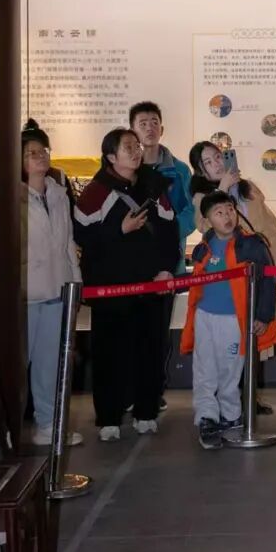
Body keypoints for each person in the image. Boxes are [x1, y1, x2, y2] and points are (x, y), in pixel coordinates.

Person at [73, 126, 181, 441]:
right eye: (127, 147)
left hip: (151, 286)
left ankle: (146, 412)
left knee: (150, 349)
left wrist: (166, 269)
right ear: (110, 157)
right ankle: (109, 417)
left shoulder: (153, 185)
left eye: (136, 146)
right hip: (110, 289)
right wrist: (119, 229)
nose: (135, 151)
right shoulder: (96, 191)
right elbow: (82, 235)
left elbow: (169, 231)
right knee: (110, 352)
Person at [188, 139, 276, 410]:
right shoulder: (202, 197)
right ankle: (227, 401)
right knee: (228, 343)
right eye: (208, 162)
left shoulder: (248, 188)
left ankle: (249, 397)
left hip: (257, 267)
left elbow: (269, 226)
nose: (216, 164)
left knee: (255, 334)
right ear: (200, 171)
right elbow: (203, 226)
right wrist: (222, 189)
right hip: (227, 277)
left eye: (218, 157)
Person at [181, 191, 276, 450]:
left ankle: (232, 415)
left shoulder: (252, 245)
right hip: (204, 317)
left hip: (234, 320)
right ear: (207, 220)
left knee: (230, 370)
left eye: (230, 210)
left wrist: (263, 315)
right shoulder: (204, 246)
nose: (227, 216)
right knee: (204, 370)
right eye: (219, 212)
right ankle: (207, 418)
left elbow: (267, 281)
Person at [21, 119, 82, 447]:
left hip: (58, 289)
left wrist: (75, 282)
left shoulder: (58, 192)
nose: (40, 156)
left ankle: (49, 424)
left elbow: (68, 242)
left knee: (50, 365)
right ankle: (8, 429)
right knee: (19, 364)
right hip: (26, 294)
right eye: (31, 152)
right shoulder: (13, 195)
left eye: (43, 150)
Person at [130, 102, 193, 398]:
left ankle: (154, 392)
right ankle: (131, 391)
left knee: (158, 331)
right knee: (131, 330)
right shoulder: (127, 168)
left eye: (154, 122)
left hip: (167, 263)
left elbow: (192, 211)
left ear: (162, 128)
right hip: (131, 264)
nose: (149, 128)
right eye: (143, 123)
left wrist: (167, 234)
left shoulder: (179, 171)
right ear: (132, 130)